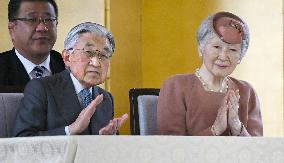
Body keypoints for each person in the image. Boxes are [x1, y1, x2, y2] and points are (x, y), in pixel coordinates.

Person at [157, 11, 263, 136]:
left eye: (233, 50)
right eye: (216, 47)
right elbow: (171, 148)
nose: (223, 56)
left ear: (240, 57)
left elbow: (257, 151)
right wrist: (215, 129)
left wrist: (237, 127)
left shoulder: (247, 92)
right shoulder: (176, 86)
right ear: (200, 49)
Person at [13, 22, 128, 136]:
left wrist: (106, 140)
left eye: (103, 55)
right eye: (88, 52)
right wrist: (70, 130)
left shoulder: (106, 98)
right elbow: (21, 139)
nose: (96, 63)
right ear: (67, 57)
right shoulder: (41, 89)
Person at [0, 0, 65, 92]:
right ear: (12, 29)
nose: (42, 28)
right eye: (32, 20)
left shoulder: (70, 67)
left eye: (48, 19)